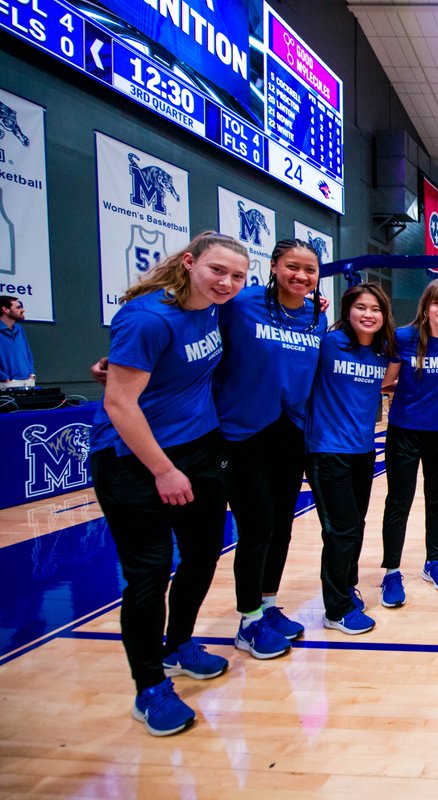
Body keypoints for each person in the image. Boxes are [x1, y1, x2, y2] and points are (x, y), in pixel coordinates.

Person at [89, 232, 248, 736]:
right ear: (189, 263)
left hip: (198, 448)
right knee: (150, 573)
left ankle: (178, 644)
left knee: (203, 554)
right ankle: (149, 687)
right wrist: (162, 469)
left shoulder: (212, 309)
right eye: (218, 271)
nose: (227, 282)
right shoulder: (147, 316)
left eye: (237, 276)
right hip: (133, 460)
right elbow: (119, 403)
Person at [217, 239, 326, 661]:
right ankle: (247, 622)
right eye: (292, 267)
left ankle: (266, 604)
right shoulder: (240, 305)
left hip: (289, 431)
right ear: (275, 266)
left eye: (310, 270)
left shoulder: (317, 316)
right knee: (258, 526)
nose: (301, 276)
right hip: (242, 432)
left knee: (281, 525)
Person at [308, 283, 395, 635]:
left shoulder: (381, 352)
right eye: (361, 307)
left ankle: (347, 586)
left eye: (375, 309)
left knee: (354, 527)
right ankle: (335, 609)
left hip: (363, 452)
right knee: (340, 530)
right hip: (327, 450)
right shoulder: (328, 344)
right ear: (347, 311)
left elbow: (393, 381)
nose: (368, 314)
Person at [379, 278, 438, 607]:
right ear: (426, 306)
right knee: (399, 502)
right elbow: (387, 381)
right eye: (437, 303)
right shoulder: (403, 337)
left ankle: (433, 562)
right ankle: (391, 571)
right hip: (403, 431)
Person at [0, 295, 35, 385]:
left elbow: (28, 354)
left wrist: (31, 374)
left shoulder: (19, 329)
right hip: (5, 384)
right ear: (5, 309)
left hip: (27, 381)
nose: (23, 310)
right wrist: (4, 378)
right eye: (18, 307)